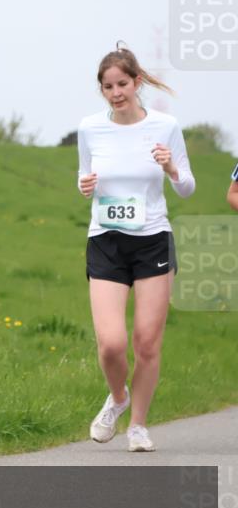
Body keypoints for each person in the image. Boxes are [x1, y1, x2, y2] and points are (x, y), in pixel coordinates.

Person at [77, 43, 195, 452]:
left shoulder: (165, 126)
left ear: (137, 82)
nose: (115, 93)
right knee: (111, 343)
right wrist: (84, 186)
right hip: (105, 241)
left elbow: (186, 188)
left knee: (146, 342)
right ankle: (118, 399)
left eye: (122, 84)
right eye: (107, 86)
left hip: (152, 242)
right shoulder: (90, 129)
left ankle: (139, 426)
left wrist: (171, 168)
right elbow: (84, 176)